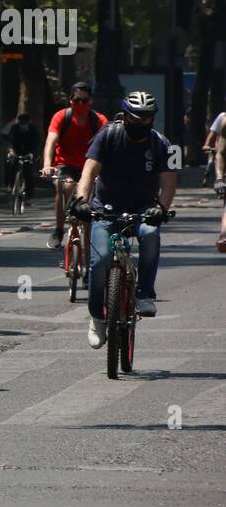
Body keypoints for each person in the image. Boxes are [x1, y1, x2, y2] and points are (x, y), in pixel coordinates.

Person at [72, 91, 177, 349]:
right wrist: (81, 200)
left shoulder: (161, 143)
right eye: (136, 118)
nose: (142, 123)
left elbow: (169, 182)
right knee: (101, 260)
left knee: (151, 234)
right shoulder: (107, 136)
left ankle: (145, 295)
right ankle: (97, 316)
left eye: (147, 119)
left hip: (144, 208)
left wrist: (161, 208)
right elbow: (89, 171)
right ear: (125, 115)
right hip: (105, 208)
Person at [42, 81, 107, 252]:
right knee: (66, 185)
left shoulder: (98, 120)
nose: (80, 104)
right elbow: (51, 141)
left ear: (90, 101)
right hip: (65, 165)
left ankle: (89, 261)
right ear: (70, 100)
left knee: (87, 208)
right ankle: (58, 229)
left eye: (84, 101)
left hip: (90, 166)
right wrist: (47, 165)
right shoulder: (62, 117)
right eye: (76, 100)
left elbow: (108, 145)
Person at [0, 110, 39, 199]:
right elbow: (10, 141)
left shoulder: (33, 130)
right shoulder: (14, 128)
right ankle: (10, 185)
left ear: (29, 122)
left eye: (25, 123)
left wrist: (32, 154)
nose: (23, 125)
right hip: (16, 151)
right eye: (21, 123)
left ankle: (29, 196)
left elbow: (36, 143)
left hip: (29, 152)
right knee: (11, 167)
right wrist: (11, 151)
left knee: (28, 173)